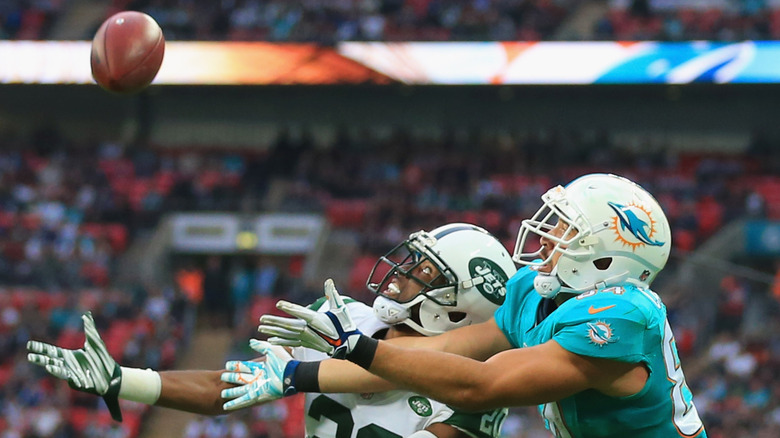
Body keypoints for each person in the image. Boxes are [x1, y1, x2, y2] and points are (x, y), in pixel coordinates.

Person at [257, 173, 708, 438]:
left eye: (568, 230)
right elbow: (441, 349)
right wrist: (300, 372)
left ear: (607, 257)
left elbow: (482, 386)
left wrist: (356, 348)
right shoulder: (538, 292)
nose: (547, 235)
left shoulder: (622, 316)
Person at [27, 223, 516, 438]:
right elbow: (231, 386)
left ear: (459, 306)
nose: (400, 274)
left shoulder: (475, 380)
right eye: (412, 262)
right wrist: (123, 380)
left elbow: (401, 376)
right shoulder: (345, 317)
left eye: (424, 273)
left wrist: (306, 370)